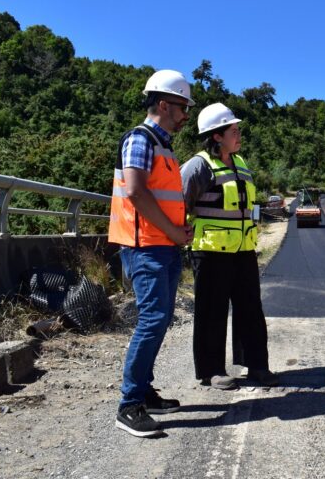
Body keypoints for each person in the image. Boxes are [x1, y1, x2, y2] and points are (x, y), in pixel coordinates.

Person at [108, 69, 193, 437]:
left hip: (164, 245)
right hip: (146, 247)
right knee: (152, 319)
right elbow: (137, 193)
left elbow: (162, 196)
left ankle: (144, 390)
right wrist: (174, 231)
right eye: (181, 107)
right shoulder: (140, 140)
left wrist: (178, 230)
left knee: (159, 319)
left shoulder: (164, 146)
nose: (185, 115)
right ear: (163, 103)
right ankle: (129, 405)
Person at [180, 103, 278, 390]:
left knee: (251, 310)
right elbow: (178, 204)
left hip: (243, 251)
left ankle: (257, 365)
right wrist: (180, 236)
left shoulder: (241, 163)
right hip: (210, 253)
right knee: (212, 311)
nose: (239, 135)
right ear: (216, 136)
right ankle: (212, 371)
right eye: (233, 130)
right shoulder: (198, 166)